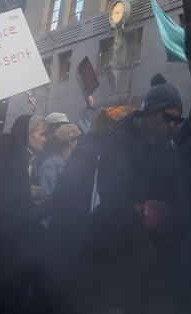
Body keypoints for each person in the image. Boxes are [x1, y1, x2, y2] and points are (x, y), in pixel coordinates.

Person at [90, 77, 182, 313]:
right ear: (150, 112)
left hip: (151, 254)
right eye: (167, 117)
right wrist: (145, 243)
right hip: (125, 252)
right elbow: (114, 200)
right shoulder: (123, 141)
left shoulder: (165, 143)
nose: (172, 124)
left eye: (177, 119)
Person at [38, 107, 130, 312]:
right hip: (60, 240)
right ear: (69, 141)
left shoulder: (76, 158)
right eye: (76, 139)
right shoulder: (51, 167)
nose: (79, 141)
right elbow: (54, 201)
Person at [0, 114, 48, 314]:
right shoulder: (11, 160)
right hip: (4, 249)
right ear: (27, 135)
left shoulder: (22, 158)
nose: (45, 139)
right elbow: (9, 207)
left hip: (7, 248)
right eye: (41, 134)